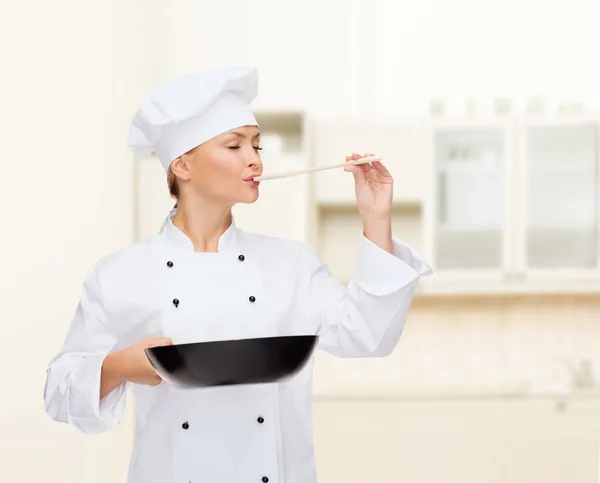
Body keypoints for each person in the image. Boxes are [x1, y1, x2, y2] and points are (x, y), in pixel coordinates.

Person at [43, 65, 432, 483]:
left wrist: (376, 216)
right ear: (183, 166)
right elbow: (59, 394)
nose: (255, 159)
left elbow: (369, 335)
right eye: (234, 145)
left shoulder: (290, 265)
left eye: (257, 146)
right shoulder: (120, 275)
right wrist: (118, 366)